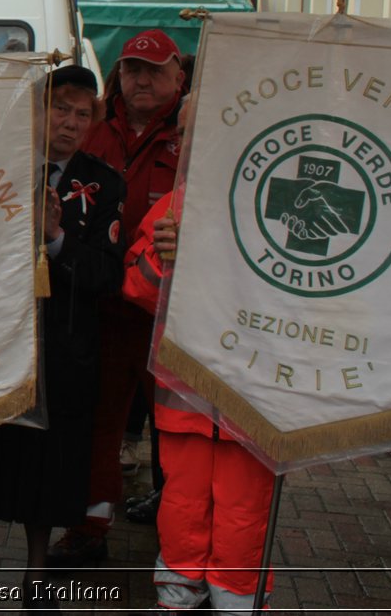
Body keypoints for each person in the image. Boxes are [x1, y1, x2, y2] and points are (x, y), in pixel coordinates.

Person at [0, 65, 126, 609]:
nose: (70, 123)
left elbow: (107, 274)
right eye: (60, 108)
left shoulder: (103, 183)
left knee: (52, 466)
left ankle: (36, 574)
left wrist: (56, 240)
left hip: (63, 349)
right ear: (38, 109)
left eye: (82, 114)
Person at [49, 29, 185, 565]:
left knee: (177, 426)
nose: (142, 80)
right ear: (119, 75)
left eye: (155, 70)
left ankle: (178, 530)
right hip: (104, 305)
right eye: (133, 69)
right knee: (101, 420)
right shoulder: (95, 129)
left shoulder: (194, 131)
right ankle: (91, 527)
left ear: (179, 74)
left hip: (171, 312)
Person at [124, 177, 276, 612]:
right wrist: (167, 254)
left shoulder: (280, 192)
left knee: (243, 515)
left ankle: (237, 605)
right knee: (183, 508)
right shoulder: (179, 203)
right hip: (187, 395)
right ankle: (178, 601)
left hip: (254, 398)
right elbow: (137, 285)